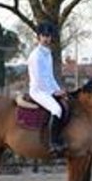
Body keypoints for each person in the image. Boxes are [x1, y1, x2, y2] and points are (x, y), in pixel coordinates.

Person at [27, 21, 66, 157]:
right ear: (38, 37)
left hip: (48, 89)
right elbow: (39, 79)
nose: (47, 38)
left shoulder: (48, 54)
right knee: (57, 109)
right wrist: (53, 92)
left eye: (49, 36)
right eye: (44, 35)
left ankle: (61, 137)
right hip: (38, 91)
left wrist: (58, 90)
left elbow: (50, 76)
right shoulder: (36, 56)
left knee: (66, 105)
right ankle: (52, 143)